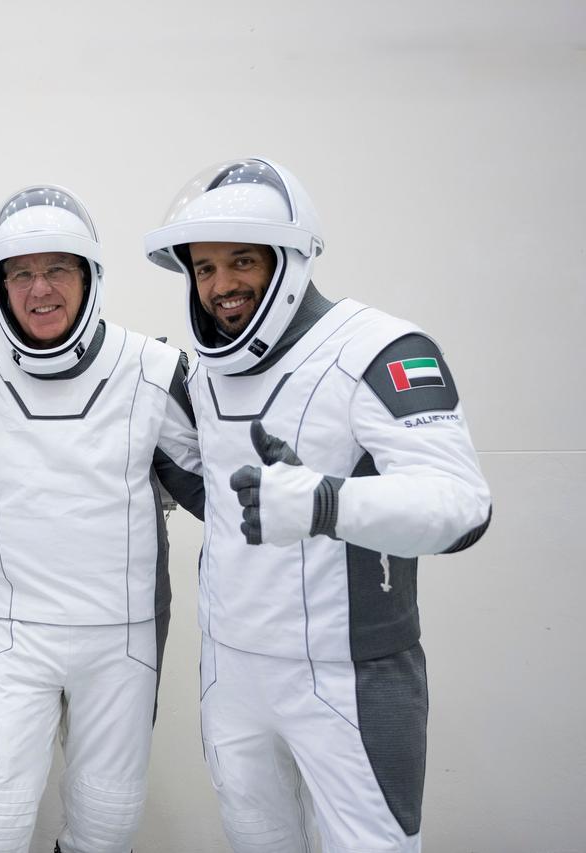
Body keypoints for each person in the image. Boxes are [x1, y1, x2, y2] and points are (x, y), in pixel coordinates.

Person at [142, 158, 492, 852]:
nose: (221, 285)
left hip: (348, 677)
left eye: (242, 260)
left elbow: (462, 504)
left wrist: (328, 502)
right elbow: (227, 503)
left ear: (292, 258)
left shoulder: (377, 349)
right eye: (205, 268)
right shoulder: (206, 375)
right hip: (232, 671)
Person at [0, 185, 204, 853]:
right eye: (20, 272)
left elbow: (220, 495)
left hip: (122, 641)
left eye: (58, 269)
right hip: (16, 638)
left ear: (89, 277)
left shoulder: (151, 370)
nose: (39, 288)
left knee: (104, 826)